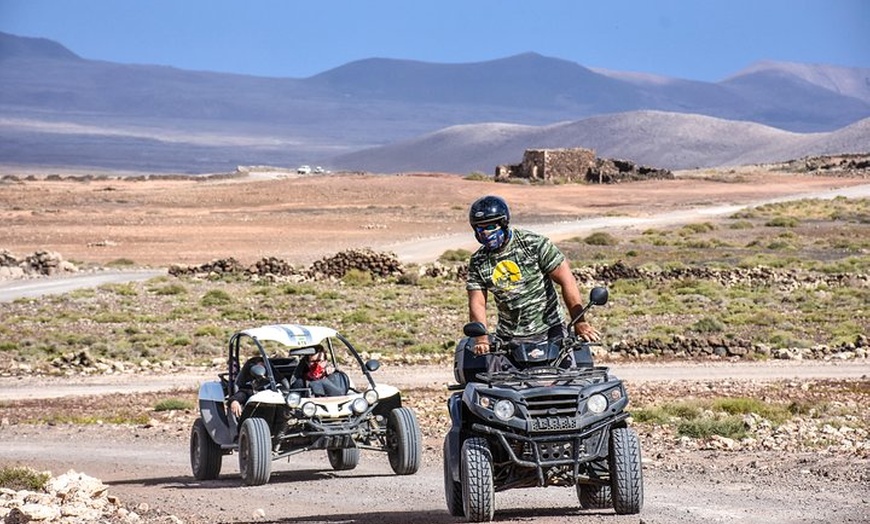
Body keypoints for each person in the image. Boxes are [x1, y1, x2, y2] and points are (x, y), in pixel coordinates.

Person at [465, 195, 600, 371]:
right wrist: (481, 338)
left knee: (569, 382)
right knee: (497, 389)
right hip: (509, 338)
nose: (485, 233)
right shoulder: (478, 262)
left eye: (491, 227)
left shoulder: (533, 244)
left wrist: (579, 321)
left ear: (504, 223)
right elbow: (477, 301)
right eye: (480, 228)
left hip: (551, 330)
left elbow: (567, 281)